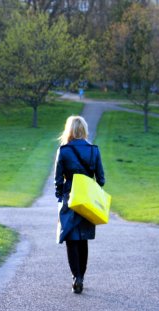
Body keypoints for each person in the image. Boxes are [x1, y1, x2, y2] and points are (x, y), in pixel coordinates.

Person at [54, 115, 105, 294]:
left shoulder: (64, 150)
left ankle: (76, 276)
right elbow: (101, 179)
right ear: (83, 130)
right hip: (87, 199)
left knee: (70, 238)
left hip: (70, 197)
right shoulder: (94, 150)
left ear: (69, 130)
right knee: (83, 239)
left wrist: (60, 197)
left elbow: (58, 180)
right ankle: (81, 276)